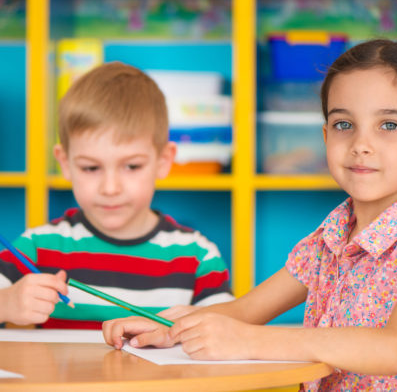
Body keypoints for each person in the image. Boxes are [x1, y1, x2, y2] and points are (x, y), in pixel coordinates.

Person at [103, 39, 397, 391]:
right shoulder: (329, 238)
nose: (361, 143)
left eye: (389, 125)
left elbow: (396, 349)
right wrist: (169, 328)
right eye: (344, 125)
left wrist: (250, 341)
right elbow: (245, 311)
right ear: (325, 135)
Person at [0, 61, 233, 329]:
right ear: (65, 163)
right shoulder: (37, 248)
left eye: (132, 166)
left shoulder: (197, 257)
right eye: (91, 167)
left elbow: (225, 334)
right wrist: (6, 303)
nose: (110, 188)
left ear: (163, 161)